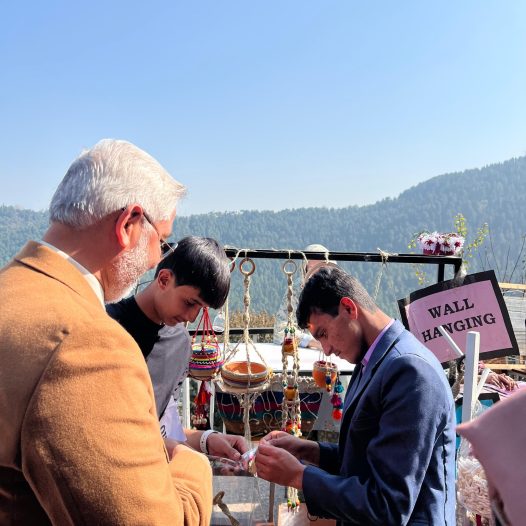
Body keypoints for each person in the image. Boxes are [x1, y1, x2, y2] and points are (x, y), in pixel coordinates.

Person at [0, 139, 212, 525]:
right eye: (162, 241)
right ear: (129, 224)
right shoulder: (86, 343)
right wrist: (190, 464)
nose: (156, 258)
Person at [256, 266, 456, 525]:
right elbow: (368, 458)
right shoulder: (373, 359)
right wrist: (309, 450)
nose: (326, 349)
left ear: (349, 308)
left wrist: (299, 476)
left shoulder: (411, 371)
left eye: (323, 334)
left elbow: (388, 506)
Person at [107, 236, 248, 460]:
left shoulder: (180, 344)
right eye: (190, 303)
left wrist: (207, 440)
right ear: (164, 279)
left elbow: (163, 430)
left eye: (201, 309)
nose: (191, 317)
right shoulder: (106, 328)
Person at [273, 243, 335, 350]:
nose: (315, 272)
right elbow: (280, 332)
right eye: (311, 267)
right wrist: (313, 342)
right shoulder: (296, 290)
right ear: (304, 269)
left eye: (320, 267)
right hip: (305, 352)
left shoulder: (339, 288)